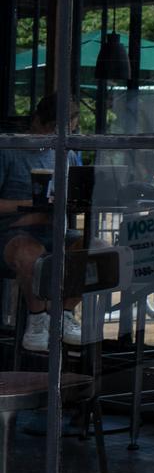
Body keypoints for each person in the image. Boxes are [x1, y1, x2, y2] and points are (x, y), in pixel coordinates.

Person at [3, 94, 85, 354]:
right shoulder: (8, 150)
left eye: (61, 131)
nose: (52, 137)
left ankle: (65, 314)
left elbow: (78, 192)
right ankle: (37, 319)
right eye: (49, 128)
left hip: (54, 230)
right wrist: (29, 206)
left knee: (94, 249)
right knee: (31, 254)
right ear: (36, 120)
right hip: (11, 234)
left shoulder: (68, 153)